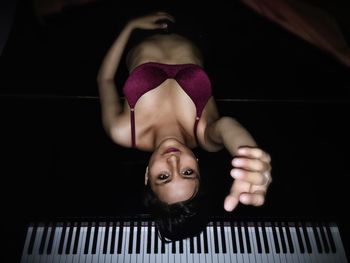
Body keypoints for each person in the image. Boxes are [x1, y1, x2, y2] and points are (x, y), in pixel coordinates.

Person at [97, 11, 272, 241]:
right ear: (198, 166)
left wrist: (130, 26)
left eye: (164, 176)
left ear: (148, 175)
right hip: (193, 27)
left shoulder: (122, 130)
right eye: (188, 173)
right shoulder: (204, 135)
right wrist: (250, 157)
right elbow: (228, 126)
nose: (174, 161)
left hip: (138, 31)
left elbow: (105, 80)